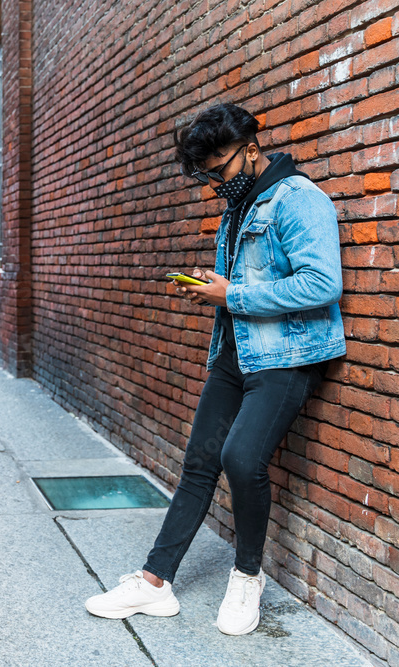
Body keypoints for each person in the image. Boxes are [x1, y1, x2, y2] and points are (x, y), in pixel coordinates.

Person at [85, 104, 345, 634]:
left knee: (241, 458)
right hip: (234, 352)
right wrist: (215, 288)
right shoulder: (240, 206)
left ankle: (247, 579)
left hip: (285, 358)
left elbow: (323, 284)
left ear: (252, 148)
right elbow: (245, 283)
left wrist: (236, 293)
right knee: (200, 462)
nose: (214, 182)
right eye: (206, 174)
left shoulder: (300, 200)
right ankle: (155, 583)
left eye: (219, 168)